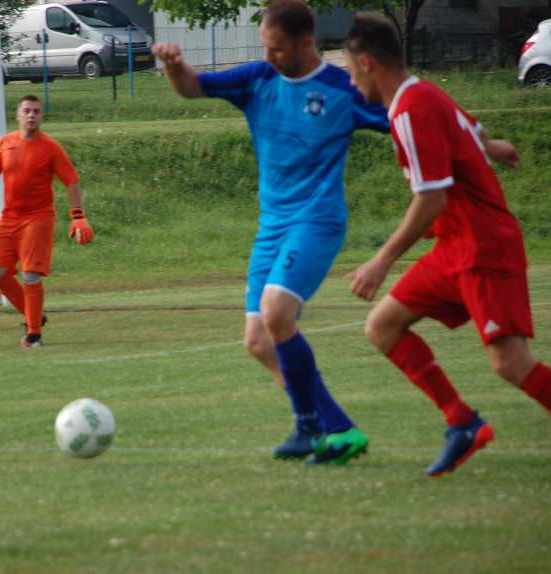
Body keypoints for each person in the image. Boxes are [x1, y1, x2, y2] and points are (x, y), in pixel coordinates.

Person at [343, 12, 551, 480]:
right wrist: (492, 145)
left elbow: (431, 198)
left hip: (483, 245)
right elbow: (467, 129)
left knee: (510, 363)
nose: (353, 83)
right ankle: (462, 422)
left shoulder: (409, 109)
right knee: (383, 326)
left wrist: (381, 259)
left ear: (368, 63)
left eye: (352, 72)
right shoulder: (422, 94)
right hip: (456, 246)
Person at [152, 0, 390, 464]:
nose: (268, 56)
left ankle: (309, 429)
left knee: (277, 313)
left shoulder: (344, 90)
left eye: (277, 49)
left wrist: (473, 149)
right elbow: (192, 88)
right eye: (265, 46)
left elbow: (408, 121)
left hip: (317, 221)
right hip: (272, 227)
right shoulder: (258, 79)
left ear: (306, 43)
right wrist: (174, 66)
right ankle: (336, 429)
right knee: (258, 341)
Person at [0, 95, 94, 349]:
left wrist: (78, 216)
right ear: (18, 115)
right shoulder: (5, 144)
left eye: (36, 111)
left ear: (41, 116)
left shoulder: (51, 147)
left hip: (39, 218)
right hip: (9, 218)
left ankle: (33, 334)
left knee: (30, 275)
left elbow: (71, 180)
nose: (31, 115)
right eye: (26, 111)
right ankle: (33, 314)